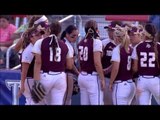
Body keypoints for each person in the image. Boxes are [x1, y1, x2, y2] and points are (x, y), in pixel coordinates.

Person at [32, 21, 72, 105]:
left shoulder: (40, 42)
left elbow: (38, 62)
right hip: (60, 77)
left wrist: (36, 81)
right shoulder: (66, 45)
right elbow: (69, 66)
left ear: (49, 30)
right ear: (60, 32)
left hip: (45, 76)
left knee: (37, 103)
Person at [77, 20, 105, 105]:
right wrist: (102, 78)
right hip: (92, 77)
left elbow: (79, 60)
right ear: (96, 29)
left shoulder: (81, 42)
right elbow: (97, 62)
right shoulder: (96, 42)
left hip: (82, 76)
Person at [131, 23, 160, 105]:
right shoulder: (158, 46)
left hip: (142, 81)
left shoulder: (138, 47)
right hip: (155, 80)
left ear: (144, 33)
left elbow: (135, 69)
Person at [109, 25, 136, 105]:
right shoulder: (131, 49)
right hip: (131, 84)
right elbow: (134, 67)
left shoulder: (117, 49)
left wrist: (110, 82)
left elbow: (115, 68)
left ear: (117, 38)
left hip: (120, 85)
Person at [18, 26, 44, 105]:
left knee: (33, 102)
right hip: (29, 79)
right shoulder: (29, 50)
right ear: (31, 38)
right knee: (34, 102)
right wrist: (22, 85)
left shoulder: (36, 48)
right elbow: (24, 70)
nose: (40, 37)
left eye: (41, 35)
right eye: (37, 35)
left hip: (32, 79)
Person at [102, 21, 123, 105]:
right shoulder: (104, 43)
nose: (109, 32)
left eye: (111, 30)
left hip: (120, 79)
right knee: (108, 102)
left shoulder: (124, 44)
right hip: (107, 78)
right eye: (109, 30)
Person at [60, 25, 79, 105]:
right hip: (66, 73)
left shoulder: (61, 42)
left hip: (59, 74)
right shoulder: (66, 45)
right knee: (66, 99)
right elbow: (70, 65)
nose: (75, 38)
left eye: (77, 36)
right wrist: (78, 74)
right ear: (67, 34)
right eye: (73, 36)